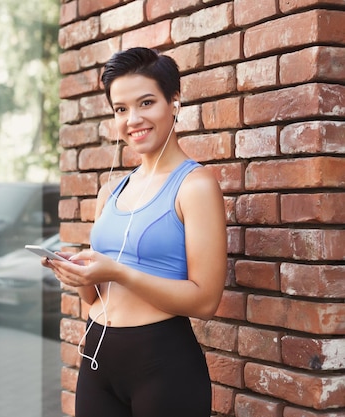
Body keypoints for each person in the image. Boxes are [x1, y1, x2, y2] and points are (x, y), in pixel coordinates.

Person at [43, 47, 227, 417]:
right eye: (121, 109)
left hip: (162, 366)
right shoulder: (110, 191)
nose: (133, 119)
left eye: (145, 102)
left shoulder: (195, 185)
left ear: (173, 102)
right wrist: (78, 275)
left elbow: (205, 301)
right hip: (97, 359)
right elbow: (94, 299)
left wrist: (116, 271)